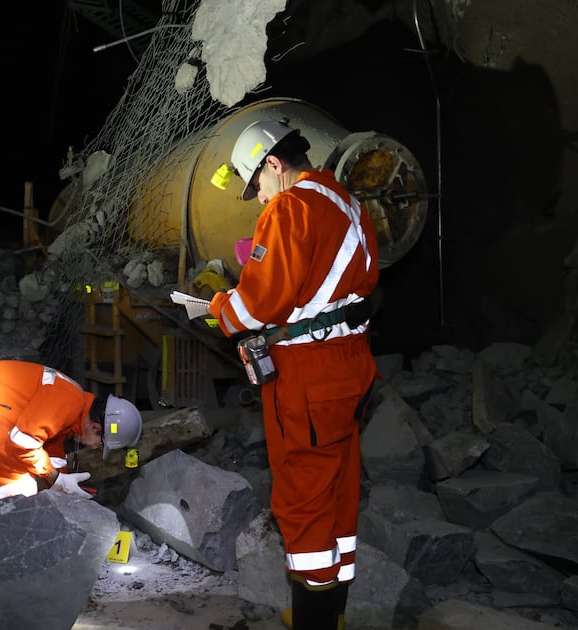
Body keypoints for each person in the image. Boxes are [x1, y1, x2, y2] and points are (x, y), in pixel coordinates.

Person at [209, 120, 379, 630]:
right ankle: (332, 613)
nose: (259, 197)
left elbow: (259, 303)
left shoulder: (291, 206)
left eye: (256, 184)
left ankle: (312, 622)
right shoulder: (347, 201)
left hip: (310, 375)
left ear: (274, 165)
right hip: (352, 364)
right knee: (339, 488)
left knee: (302, 498)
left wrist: (219, 308)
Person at [0, 360, 142, 505]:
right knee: (16, 488)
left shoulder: (75, 405)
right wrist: (55, 479)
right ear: (95, 427)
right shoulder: (68, 400)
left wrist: (63, 481)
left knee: (29, 473)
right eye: (100, 443)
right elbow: (23, 443)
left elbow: (51, 445)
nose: (95, 447)